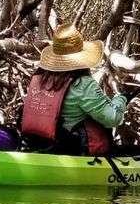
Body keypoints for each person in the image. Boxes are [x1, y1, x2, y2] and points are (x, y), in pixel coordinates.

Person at [21, 22, 128, 156]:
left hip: (35, 143)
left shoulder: (39, 77)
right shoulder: (83, 84)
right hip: (69, 150)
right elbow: (112, 118)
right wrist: (121, 98)